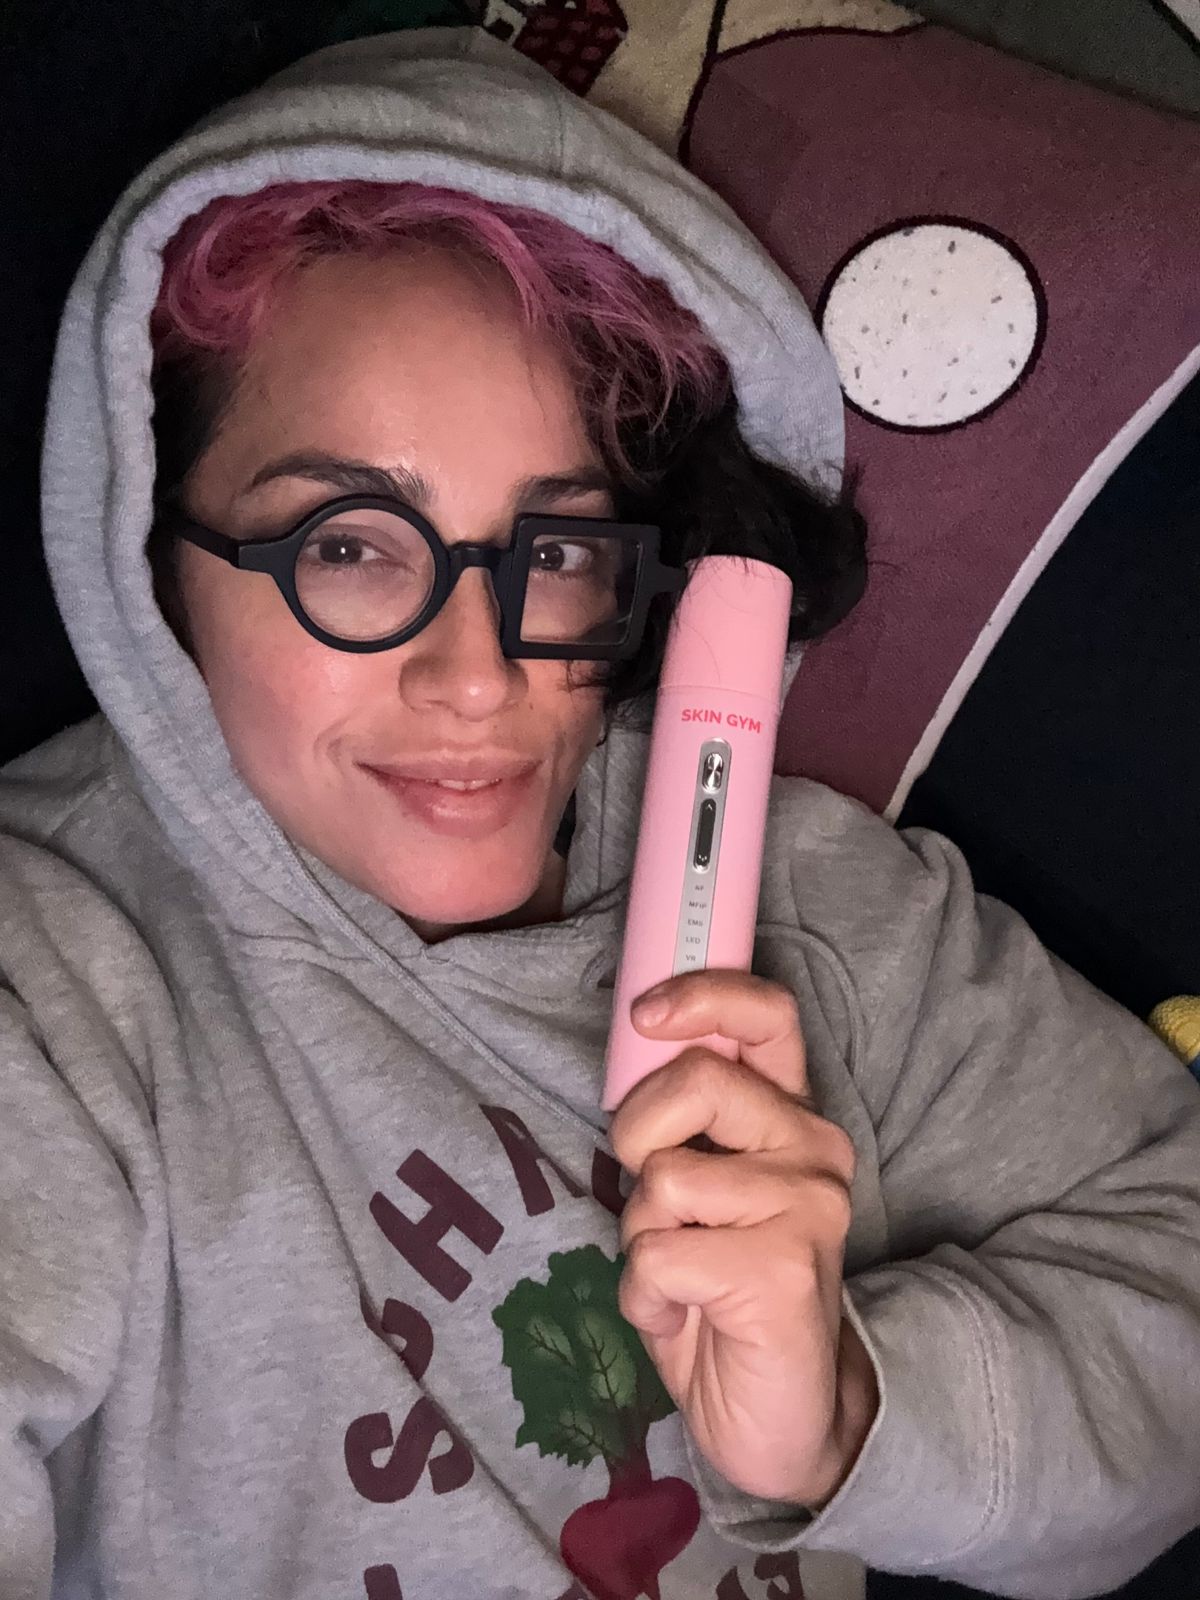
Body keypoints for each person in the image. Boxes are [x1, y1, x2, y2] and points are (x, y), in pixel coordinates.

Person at [2, 26, 1199, 1600]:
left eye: (556, 552)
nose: (475, 676)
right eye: (348, 546)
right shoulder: (53, 978)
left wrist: (849, 1413)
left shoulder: (825, 913)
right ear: (156, 557)